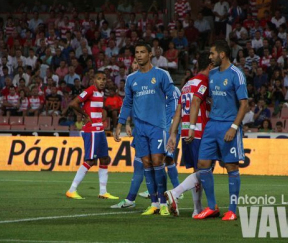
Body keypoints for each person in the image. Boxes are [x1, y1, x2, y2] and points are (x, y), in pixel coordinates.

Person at [114, 42, 175, 216]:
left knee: (158, 161)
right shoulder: (132, 79)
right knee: (146, 163)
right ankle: (154, 203)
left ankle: (164, 203)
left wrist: (169, 121)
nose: (139, 55)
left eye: (142, 52)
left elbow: (172, 99)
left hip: (157, 126)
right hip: (139, 128)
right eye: (137, 53)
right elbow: (127, 103)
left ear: (150, 54)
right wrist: (120, 124)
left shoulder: (162, 75)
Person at [192, 40, 249, 221]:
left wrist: (234, 127)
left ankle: (232, 210)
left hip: (228, 125)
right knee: (203, 164)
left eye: (212, 53)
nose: (210, 57)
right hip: (211, 125)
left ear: (222, 54)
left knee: (231, 166)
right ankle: (212, 207)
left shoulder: (236, 74)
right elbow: (205, 96)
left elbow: (244, 104)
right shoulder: (213, 74)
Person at [164, 52, 212, 217]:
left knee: (197, 170)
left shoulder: (186, 85)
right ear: (210, 66)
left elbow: (177, 112)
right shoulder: (206, 81)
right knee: (206, 169)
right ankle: (176, 192)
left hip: (186, 132)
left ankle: (197, 209)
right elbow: (197, 104)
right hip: (199, 130)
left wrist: (173, 134)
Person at [66, 71, 118, 200]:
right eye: (99, 79)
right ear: (94, 80)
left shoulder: (101, 93)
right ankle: (72, 190)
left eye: (104, 79)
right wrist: (84, 115)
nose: (102, 81)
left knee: (105, 158)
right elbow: (73, 103)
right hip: (91, 131)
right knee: (90, 161)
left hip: (99, 130)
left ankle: (103, 191)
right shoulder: (90, 90)